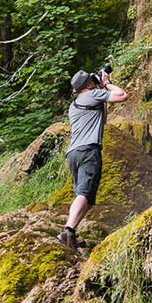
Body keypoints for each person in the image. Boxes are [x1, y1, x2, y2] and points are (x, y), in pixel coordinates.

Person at [61, 64, 128, 249]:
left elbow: (103, 120)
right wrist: (107, 84)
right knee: (84, 193)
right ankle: (68, 230)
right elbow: (122, 95)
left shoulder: (74, 105)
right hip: (88, 151)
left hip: (73, 154)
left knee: (85, 197)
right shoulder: (91, 95)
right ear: (89, 84)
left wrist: (101, 92)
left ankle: (71, 233)